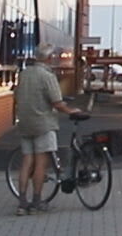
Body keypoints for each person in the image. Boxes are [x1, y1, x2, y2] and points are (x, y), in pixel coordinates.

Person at [14, 43, 85, 216]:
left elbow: (17, 96)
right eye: (53, 56)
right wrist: (71, 110)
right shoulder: (47, 76)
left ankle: (22, 203)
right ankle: (37, 201)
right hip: (43, 124)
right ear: (48, 58)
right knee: (41, 164)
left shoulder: (24, 74)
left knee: (26, 162)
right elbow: (57, 102)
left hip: (24, 123)